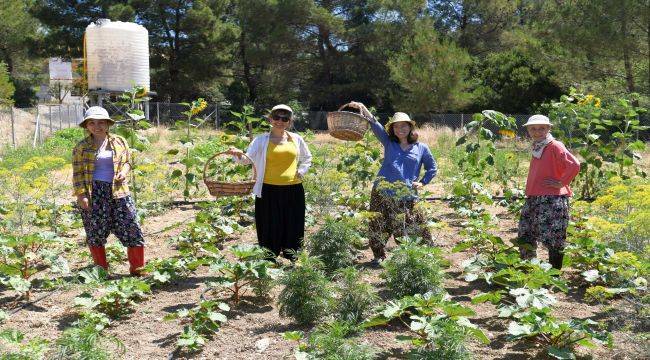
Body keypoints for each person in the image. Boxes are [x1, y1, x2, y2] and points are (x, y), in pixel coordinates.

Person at [348, 102, 437, 266]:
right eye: (396, 127)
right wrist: (363, 107)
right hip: (382, 191)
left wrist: (423, 183)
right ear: (392, 129)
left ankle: (417, 254)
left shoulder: (421, 148)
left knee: (410, 224)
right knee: (377, 224)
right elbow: (374, 124)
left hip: (406, 193)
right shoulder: (389, 143)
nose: (400, 129)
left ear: (410, 127)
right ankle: (379, 256)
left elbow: (432, 168)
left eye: (404, 126)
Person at [226, 104, 312, 260]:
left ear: (290, 121)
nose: (280, 121)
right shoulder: (261, 140)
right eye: (277, 117)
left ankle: (293, 258)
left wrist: (302, 171)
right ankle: (269, 259)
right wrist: (238, 154)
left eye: (285, 118)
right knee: (269, 224)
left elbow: (308, 158)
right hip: (268, 189)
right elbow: (247, 160)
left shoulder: (297, 139)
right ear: (270, 119)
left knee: (293, 223)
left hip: (293, 189)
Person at [72, 106, 145, 275]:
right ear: (86, 125)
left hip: (119, 191)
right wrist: (82, 195)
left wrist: (123, 173)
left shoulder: (119, 141)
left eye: (101, 122)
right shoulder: (81, 147)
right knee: (96, 230)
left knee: (131, 226)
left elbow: (128, 162)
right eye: (92, 123)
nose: (97, 126)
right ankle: (102, 271)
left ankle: (138, 269)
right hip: (94, 192)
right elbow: (78, 173)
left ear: (108, 124)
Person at [518, 114, 580, 269]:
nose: (537, 132)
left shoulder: (554, 145)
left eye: (542, 128)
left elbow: (574, 164)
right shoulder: (538, 146)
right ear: (528, 130)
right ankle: (530, 269)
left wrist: (562, 182)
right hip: (534, 196)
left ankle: (554, 275)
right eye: (533, 129)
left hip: (552, 198)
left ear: (548, 129)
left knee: (554, 237)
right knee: (526, 233)